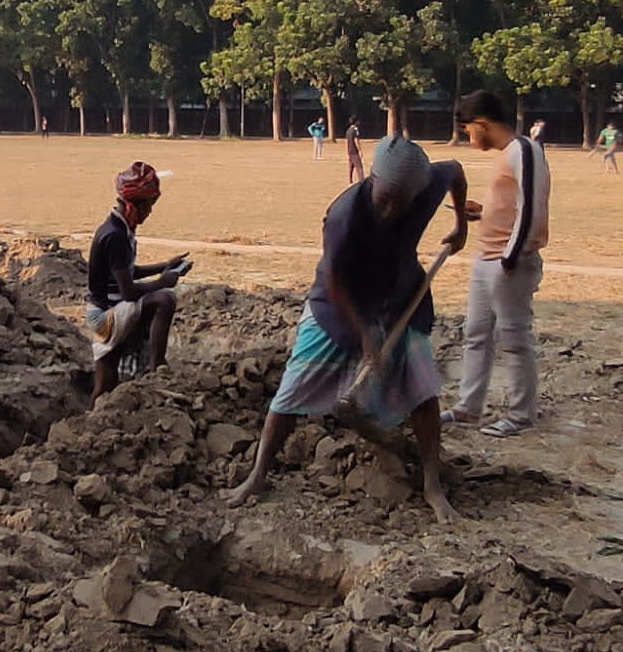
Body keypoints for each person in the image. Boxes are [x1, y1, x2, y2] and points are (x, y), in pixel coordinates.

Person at [224, 134, 470, 523]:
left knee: (424, 392)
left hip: (400, 298)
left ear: (417, 192)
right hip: (337, 307)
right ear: (371, 179)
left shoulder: (426, 185)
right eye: (384, 197)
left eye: (399, 201)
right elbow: (336, 282)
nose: (390, 209)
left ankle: (432, 485)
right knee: (291, 391)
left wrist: (460, 226)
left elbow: (454, 170)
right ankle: (257, 476)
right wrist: (364, 335)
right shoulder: (344, 216)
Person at [441, 91, 552, 440]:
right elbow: (508, 206)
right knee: (476, 334)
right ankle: (468, 406)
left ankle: (520, 415)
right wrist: (483, 213)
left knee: (514, 337)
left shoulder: (524, 150)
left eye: (468, 129)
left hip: (508, 263)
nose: (468, 136)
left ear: (482, 124)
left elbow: (531, 206)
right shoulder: (507, 155)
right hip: (486, 257)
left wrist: (512, 256)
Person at [85, 161, 192, 402]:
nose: (150, 212)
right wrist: (163, 281)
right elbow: (130, 291)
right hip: (105, 315)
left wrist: (163, 266)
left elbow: (127, 273)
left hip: (105, 309)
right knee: (164, 300)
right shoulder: (116, 236)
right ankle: (157, 368)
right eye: (150, 205)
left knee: (106, 382)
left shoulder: (117, 229)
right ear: (136, 204)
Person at [345, 120, 364, 185]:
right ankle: (362, 181)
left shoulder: (348, 130)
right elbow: (356, 140)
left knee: (351, 165)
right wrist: (360, 150)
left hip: (349, 150)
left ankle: (350, 180)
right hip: (354, 150)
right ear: (355, 122)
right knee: (359, 167)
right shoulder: (355, 130)